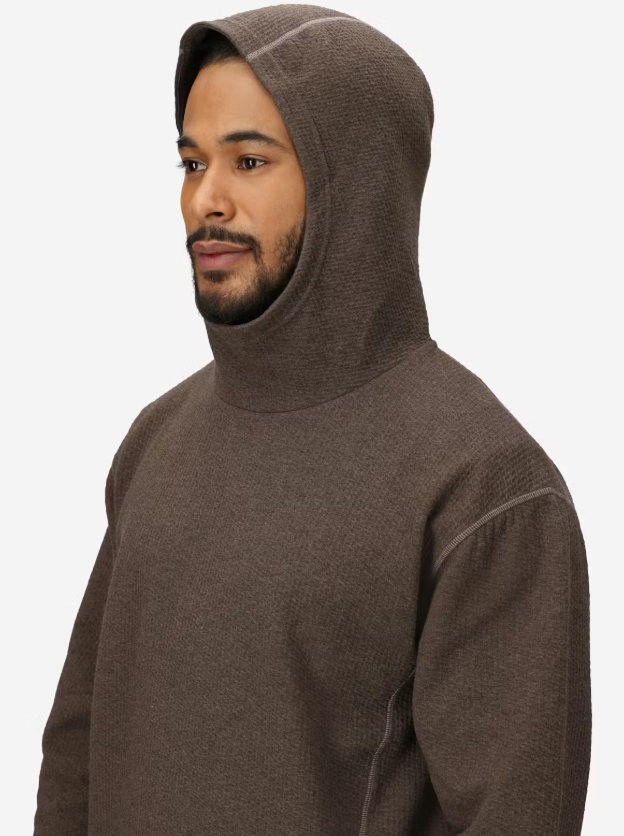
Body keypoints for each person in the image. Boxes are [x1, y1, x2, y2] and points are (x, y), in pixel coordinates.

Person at [33, 6, 592, 835]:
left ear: (353, 183)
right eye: (192, 162)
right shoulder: (157, 439)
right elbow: (78, 752)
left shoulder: (483, 484)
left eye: (250, 160)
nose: (205, 199)